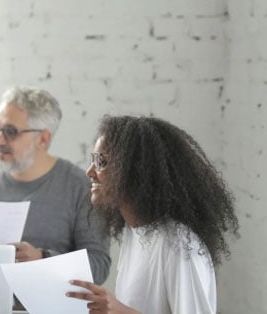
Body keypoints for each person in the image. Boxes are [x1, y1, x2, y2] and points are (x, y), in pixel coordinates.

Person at [67, 115, 239, 314]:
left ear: (135, 171)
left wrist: (121, 311)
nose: (89, 171)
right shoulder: (133, 232)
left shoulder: (179, 243)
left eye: (101, 162)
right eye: (93, 161)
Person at [0, 86, 111, 285]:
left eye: (10, 132)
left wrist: (42, 258)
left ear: (43, 139)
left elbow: (98, 266)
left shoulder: (79, 188)